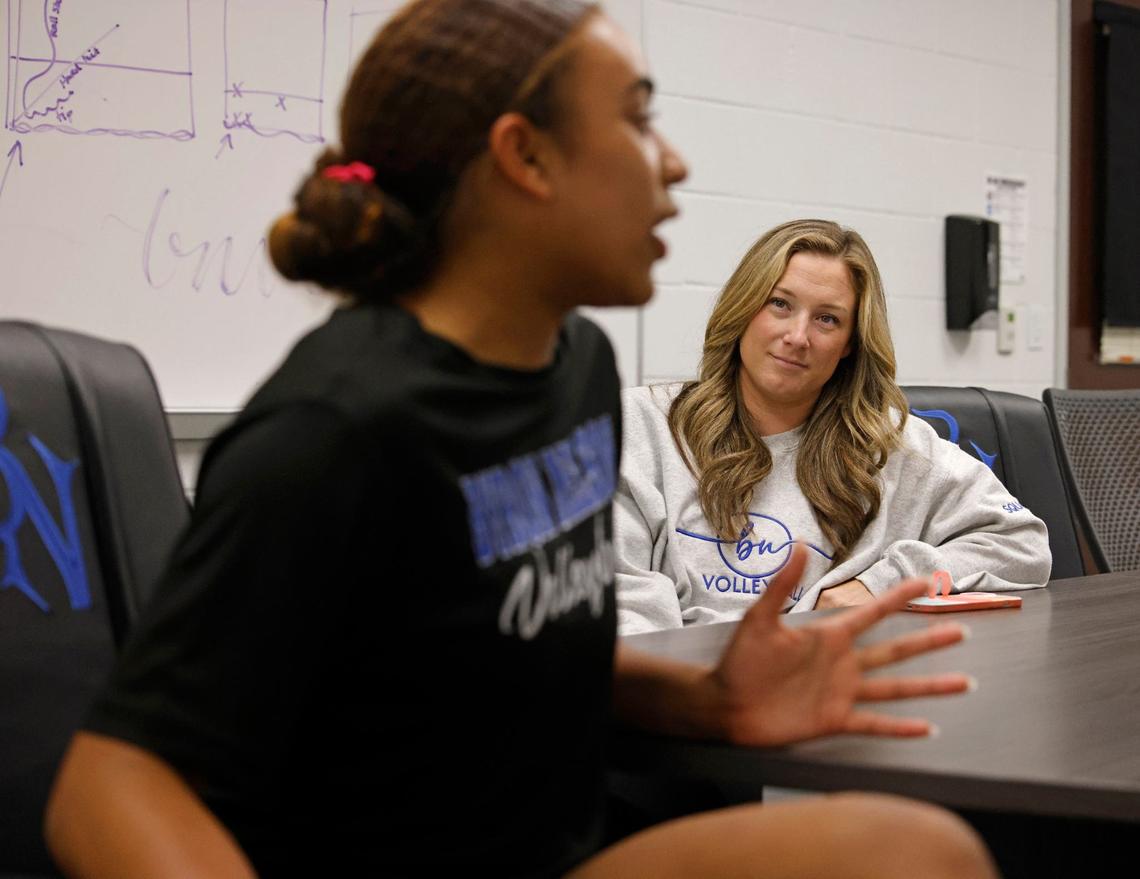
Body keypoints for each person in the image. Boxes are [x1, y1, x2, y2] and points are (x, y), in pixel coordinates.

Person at [44, 3, 997, 877]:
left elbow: (521, 654)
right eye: (635, 118)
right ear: (526, 158)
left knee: (917, 849)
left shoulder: (574, 370)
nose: (673, 163)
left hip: (555, 849)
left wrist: (703, 702)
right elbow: (110, 783)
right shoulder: (338, 430)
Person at [616, 219, 1051, 635]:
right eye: (780, 304)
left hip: (826, 684)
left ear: (849, 345)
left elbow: (1021, 543)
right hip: (676, 686)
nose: (797, 336)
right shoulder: (641, 426)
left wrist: (880, 583)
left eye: (828, 319)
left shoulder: (889, 447)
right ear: (744, 309)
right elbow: (618, 595)